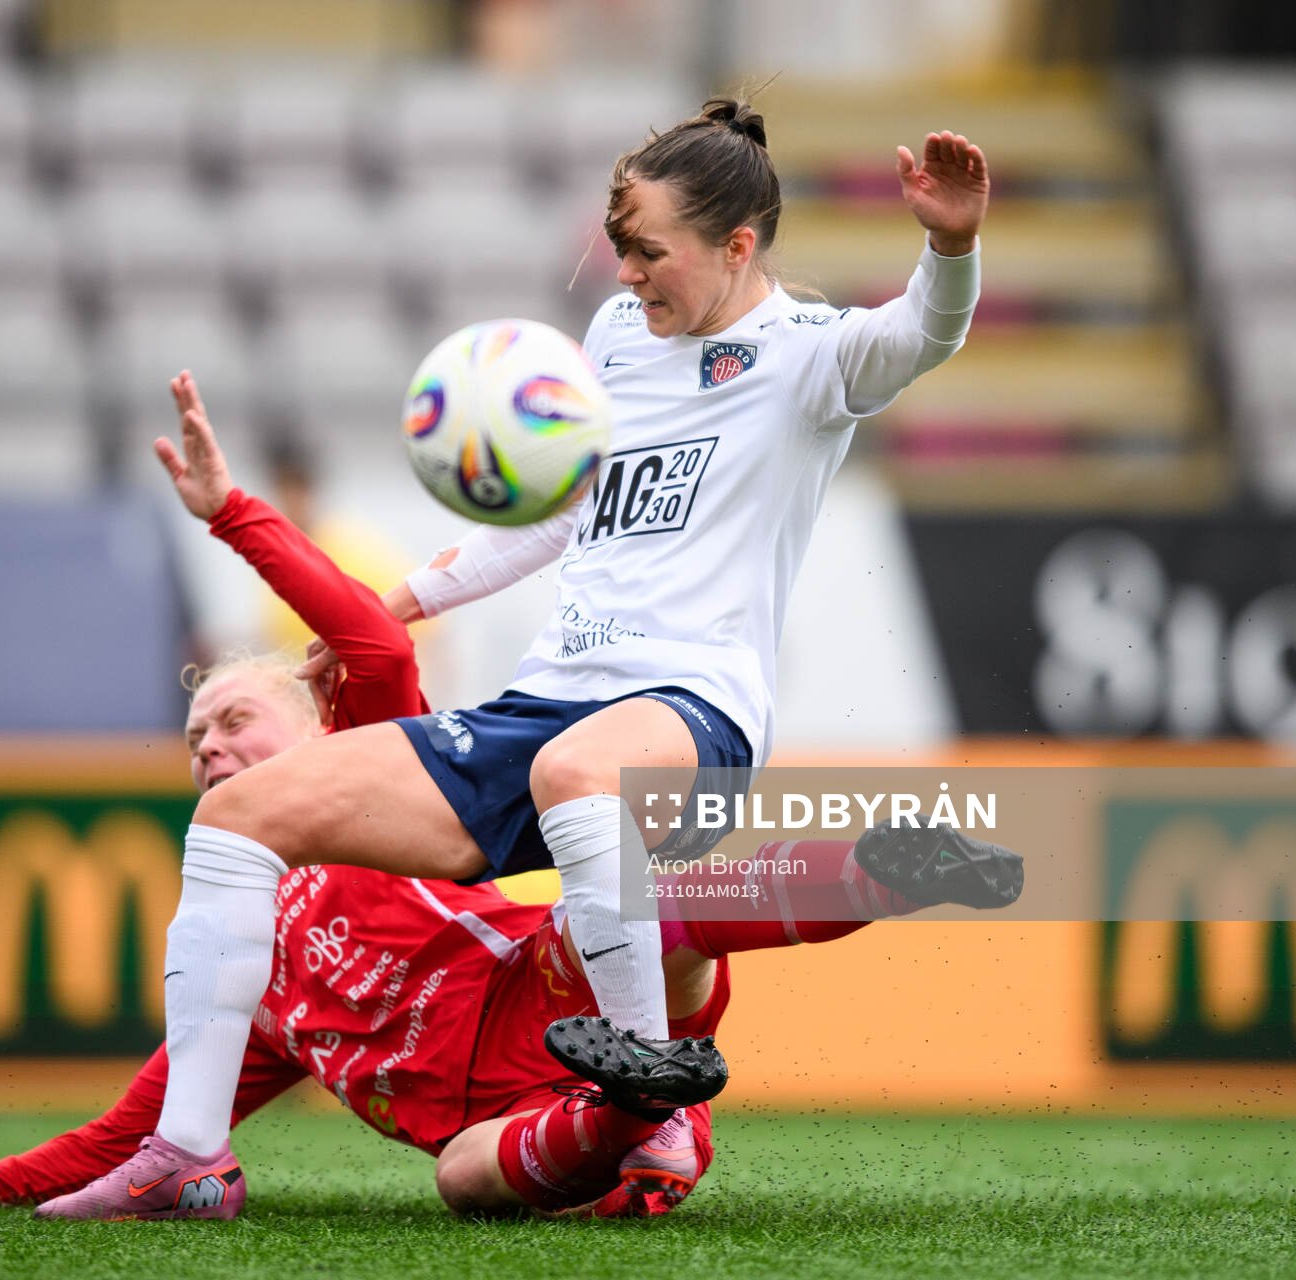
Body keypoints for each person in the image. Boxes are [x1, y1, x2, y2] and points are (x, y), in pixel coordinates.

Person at [63, 99, 993, 1220]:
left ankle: (647, 1072)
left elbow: (924, 337)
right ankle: (188, 1158)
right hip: (540, 706)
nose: (629, 275)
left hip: (689, 709)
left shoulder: (812, 357)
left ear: (736, 246)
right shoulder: (612, 343)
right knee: (236, 817)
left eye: (650, 252)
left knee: (576, 779)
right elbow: (557, 517)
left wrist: (949, 245)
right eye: (622, 249)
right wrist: (400, 600)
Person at [0, 382, 1020, 1220]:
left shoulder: (381, 774)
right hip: (546, 1137)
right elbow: (115, 1136)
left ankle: (874, 869)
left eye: (237, 719)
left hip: (554, 997)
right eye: (195, 737)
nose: (210, 747)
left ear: (317, 725)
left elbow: (354, 627)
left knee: (643, 909)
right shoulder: (254, 984)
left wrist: (235, 515)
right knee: (460, 1182)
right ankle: (633, 1112)